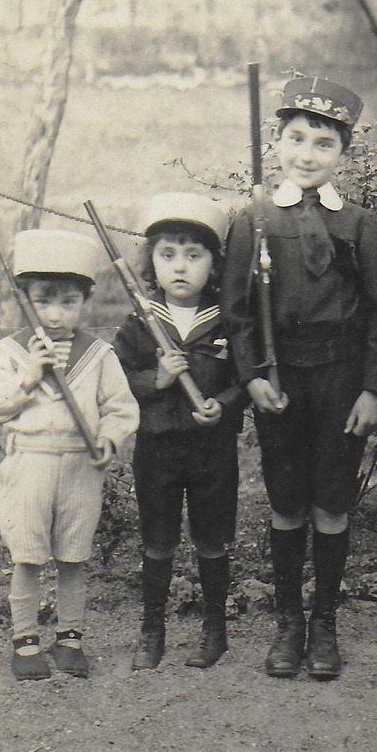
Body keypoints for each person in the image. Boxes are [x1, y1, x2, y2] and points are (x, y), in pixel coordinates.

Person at [222, 76, 377, 680]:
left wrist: (374, 388)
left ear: (343, 154)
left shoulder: (361, 225)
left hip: (342, 380)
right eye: (296, 139)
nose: (307, 155)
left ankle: (325, 624)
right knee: (288, 502)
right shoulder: (255, 219)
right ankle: (289, 623)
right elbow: (237, 311)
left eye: (324, 144)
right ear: (276, 144)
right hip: (281, 381)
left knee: (332, 502)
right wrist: (251, 377)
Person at [0, 228, 139, 681]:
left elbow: (120, 408)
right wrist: (28, 380)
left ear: (86, 302)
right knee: (27, 553)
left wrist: (109, 438)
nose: (56, 314)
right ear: (24, 300)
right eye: (43, 301)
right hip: (30, 464)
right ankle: (25, 642)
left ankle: (70, 638)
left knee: (73, 555)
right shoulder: (10, 352)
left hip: (80, 465)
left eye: (69, 302)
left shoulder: (97, 355)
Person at [114, 193, 247, 672]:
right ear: (150, 261)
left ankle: (215, 629)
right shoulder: (139, 324)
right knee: (158, 540)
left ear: (214, 265)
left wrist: (224, 406)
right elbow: (120, 381)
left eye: (194, 255)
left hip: (212, 450)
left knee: (212, 539)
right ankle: (153, 630)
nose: (180, 267)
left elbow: (244, 382)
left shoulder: (229, 323)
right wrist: (159, 380)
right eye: (168, 254)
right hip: (158, 449)